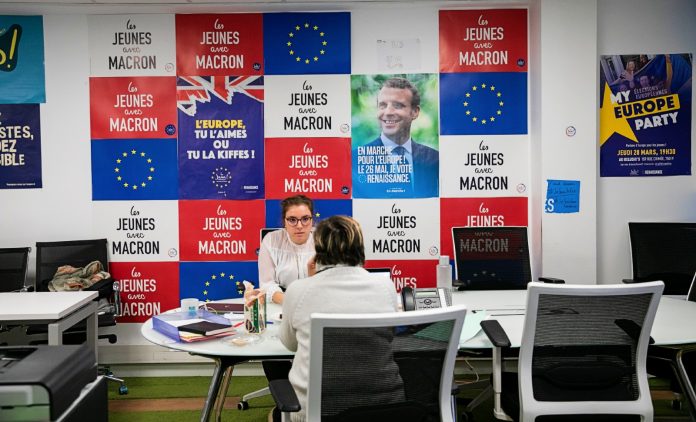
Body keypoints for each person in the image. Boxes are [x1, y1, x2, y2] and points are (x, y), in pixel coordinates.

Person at [279, 215, 401, 421]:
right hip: (382, 407)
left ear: (318, 250)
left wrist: (311, 281)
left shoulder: (298, 290)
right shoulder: (385, 287)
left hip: (314, 412)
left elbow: (290, 344)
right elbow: (388, 335)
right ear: (360, 247)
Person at [360, 77, 439, 197]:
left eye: (397, 105)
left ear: (415, 112)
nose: (388, 112)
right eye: (382, 105)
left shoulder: (434, 159)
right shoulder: (356, 160)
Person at [258, 194, 316, 305]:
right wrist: (291, 302)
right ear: (284, 222)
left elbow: (330, 282)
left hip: (316, 302)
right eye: (292, 220)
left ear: (312, 220)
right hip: (282, 304)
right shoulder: (271, 240)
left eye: (305, 219)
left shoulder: (324, 240)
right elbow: (266, 284)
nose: (299, 226)